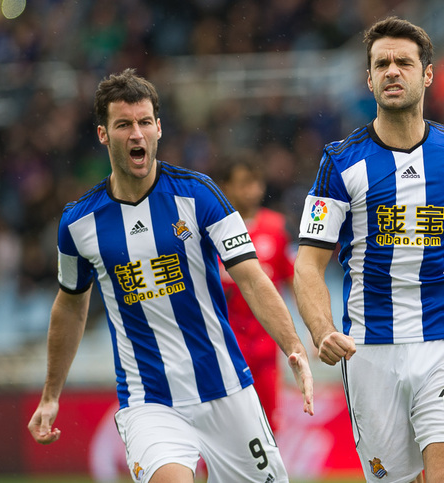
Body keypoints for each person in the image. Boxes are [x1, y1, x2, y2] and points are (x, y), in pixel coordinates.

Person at [27, 68, 314, 483]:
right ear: (103, 134)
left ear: (159, 128)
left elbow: (251, 277)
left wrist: (294, 347)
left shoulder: (199, 194)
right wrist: (51, 395)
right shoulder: (78, 223)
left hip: (227, 388)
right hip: (149, 400)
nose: (137, 134)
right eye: (123, 124)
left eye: (145, 122)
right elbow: (70, 304)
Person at [293, 17, 444, 483]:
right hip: (371, 353)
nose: (393, 71)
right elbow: (308, 265)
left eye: (403, 62)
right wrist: (321, 330)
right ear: (369, 79)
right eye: (382, 64)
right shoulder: (340, 162)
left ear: (428, 74)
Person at [215, 155, 295, 433]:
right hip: (224, 347)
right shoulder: (211, 232)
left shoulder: (275, 228)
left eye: (255, 183)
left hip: (265, 347)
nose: (252, 190)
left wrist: (309, 331)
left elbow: (292, 280)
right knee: (224, 427)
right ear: (225, 187)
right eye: (243, 184)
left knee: (267, 424)